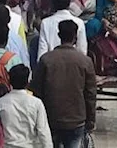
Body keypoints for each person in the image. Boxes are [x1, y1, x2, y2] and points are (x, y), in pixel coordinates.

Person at [32, 19, 96, 148]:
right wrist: (91, 119)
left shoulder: (46, 60)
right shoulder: (85, 61)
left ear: (59, 35)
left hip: (51, 117)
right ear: (75, 37)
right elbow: (90, 94)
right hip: (76, 119)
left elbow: (36, 90)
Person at [0, 64, 52, 148]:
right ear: (28, 82)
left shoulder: (0, 103)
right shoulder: (36, 103)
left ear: (9, 81)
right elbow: (43, 132)